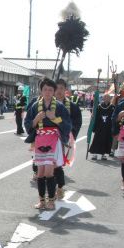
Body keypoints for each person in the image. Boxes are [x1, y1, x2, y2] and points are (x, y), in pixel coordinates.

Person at [24, 78, 72, 210]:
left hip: (54, 139)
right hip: (40, 138)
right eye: (45, 89)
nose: (47, 92)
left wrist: (54, 118)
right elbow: (28, 124)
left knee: (49, 171)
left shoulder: (60, 107)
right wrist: (36, 119)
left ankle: (51, 200)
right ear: (41, 90)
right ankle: (41, 201)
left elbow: (67, 125)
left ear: (54, 91)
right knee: (40, 172)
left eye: (50, 90)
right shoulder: (35, 106)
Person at [53, 79, 82, 199]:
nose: (59, 91)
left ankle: (59, 187)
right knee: (51, 164)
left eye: (61, 88)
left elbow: (77, 122)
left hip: (64, 139)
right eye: (57, 88)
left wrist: (71, 136)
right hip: (49, 138)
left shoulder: (73, 107)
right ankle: (53, 189)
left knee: (57, 164)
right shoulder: (46, 103)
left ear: (66, 90)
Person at [88, 93, 115, 160]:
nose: (106, 99)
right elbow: (95, 117)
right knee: (97, 140)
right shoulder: (99, 107)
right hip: (100, 127)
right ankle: (95, 154)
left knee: (107, 140)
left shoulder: (112, 107)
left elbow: (114, 117)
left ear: (110, 99)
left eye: (108, 97)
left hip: (108, 127)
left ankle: (104, 155)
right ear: (103, 98)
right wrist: (93, 117)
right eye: (105, 97)